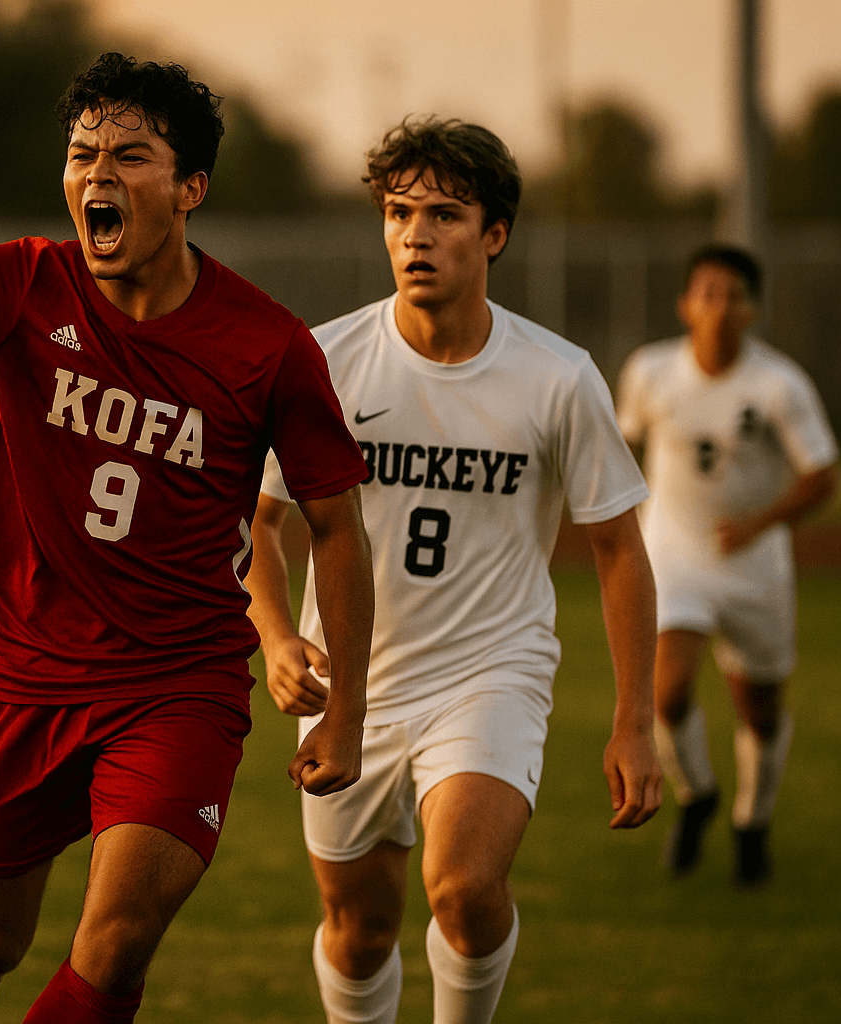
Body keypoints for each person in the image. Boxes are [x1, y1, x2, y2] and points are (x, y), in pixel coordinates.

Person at [0, 52, 374, 1023]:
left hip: (177, 689)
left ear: (191, 188)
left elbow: (335, 526)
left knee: (113, 944)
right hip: (22, 681)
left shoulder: (267, 344)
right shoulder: (19, 284)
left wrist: (345, 707)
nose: (97, 173)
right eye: (81, 152)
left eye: (130, 155)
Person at [244, 117, 663, 1024]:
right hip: (353, 684)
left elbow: (621, 549)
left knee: (465, 890)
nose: (415, 235)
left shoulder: (558, 377)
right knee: (357, 928)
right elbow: (258, 521)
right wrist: (277, 635)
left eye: (443, 214)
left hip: (491, 672)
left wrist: (636, 720)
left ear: (494, 234)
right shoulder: (323, 360)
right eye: (398, 212)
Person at [616, 245, 837, 886]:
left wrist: (759, 523)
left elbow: (822, 478)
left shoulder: (780, 384)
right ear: (685, 305)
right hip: (675, 553)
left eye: (732, 294)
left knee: (760, 711)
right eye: (705, 292)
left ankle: (752, 821)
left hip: (755, 564)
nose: (718, 305)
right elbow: (623, 447)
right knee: (667, 690)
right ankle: (697, 795)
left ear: (751, 310)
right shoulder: (651, 371)